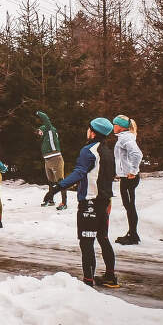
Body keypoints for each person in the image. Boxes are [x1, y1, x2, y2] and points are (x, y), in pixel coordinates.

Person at [50, 118, 119, 288]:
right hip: (105, 201)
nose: (87, 131)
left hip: (90, 202)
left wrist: (57, 187)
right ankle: (110, 276)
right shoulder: (108, 151)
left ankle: (88, 282)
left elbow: (79, 172)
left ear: (93, 132)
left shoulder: (88, 150)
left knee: (87, 242)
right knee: (103, 238)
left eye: (88, 129)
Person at [113, 115, 143, 245]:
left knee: (130, 207)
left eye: (114, 124)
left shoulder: (126, 138)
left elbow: (137, 154)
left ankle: (133, 236)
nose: (113, 127)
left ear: (120, 127)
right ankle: (131, 233)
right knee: (128, 206)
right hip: (125, 177)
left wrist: (133, 171)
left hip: (130, 178)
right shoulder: (124, 137)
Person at [36, 111, 65, 207]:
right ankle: (51, 200)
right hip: (47, 160)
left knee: (60, 182)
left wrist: (38, 113)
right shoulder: (45, 137)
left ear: (44, 129)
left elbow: (46, 120)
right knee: (51, 182)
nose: (39, 133)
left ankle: (64, 202)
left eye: (40, 131)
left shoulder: (49, 129)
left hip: (56, 158)